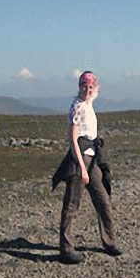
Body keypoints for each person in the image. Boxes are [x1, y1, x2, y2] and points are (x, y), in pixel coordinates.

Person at [52, 71, 122, 264]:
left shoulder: (89, 104)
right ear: (79, 87)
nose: (87, 90)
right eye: (84, 86)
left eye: (90, 87)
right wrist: (81, 167)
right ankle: (66, 250)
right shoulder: (78, 107)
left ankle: (109, 242)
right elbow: (73, 139)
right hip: (80, 159)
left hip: (92, 159)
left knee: (103, 201)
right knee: (72, 205)